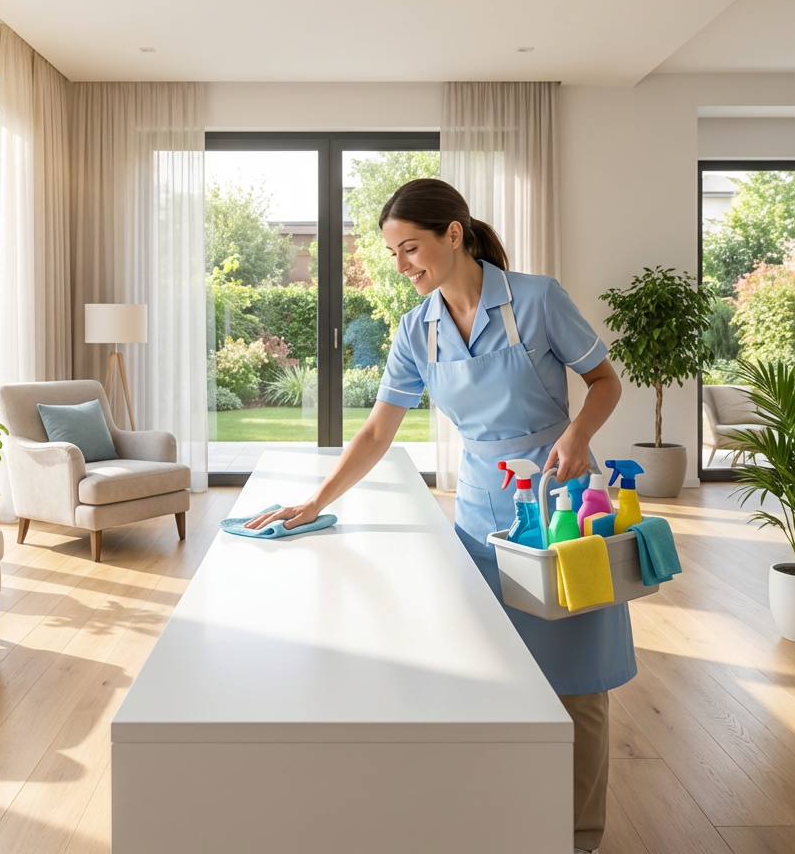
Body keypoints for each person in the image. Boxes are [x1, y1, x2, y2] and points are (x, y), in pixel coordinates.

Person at [245, 178, 635, 854]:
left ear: (454, 234)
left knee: (576, 682)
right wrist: (316, 501)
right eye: (394, 253)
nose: (403, 267)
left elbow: (606, 381)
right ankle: (504, 818)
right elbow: (375, 434)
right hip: (481, 515)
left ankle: (578, 837)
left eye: (412, 248)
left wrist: (574, 437)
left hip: (562, 503)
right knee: (489, 673)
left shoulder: (537, 300)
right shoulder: (416, 330)